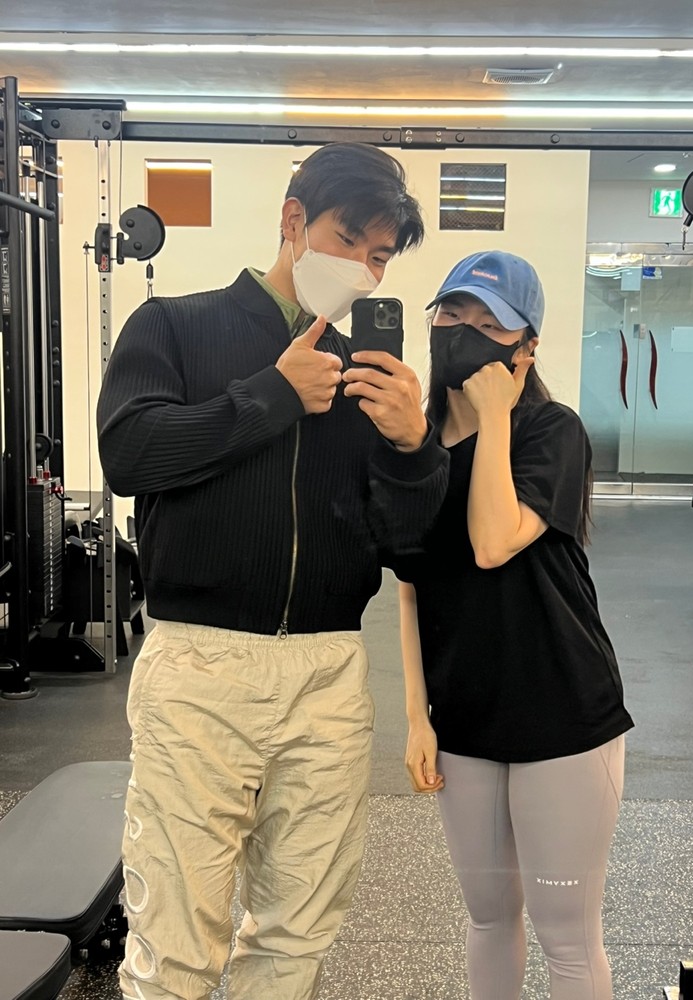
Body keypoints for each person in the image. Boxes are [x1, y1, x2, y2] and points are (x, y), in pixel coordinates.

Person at [97, 141, 449, 1000]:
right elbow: (130, 454)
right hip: (201, 666)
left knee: (298, 935)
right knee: (176, 940)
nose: (362, 270)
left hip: (328, 673)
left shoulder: (370, 378)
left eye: (379, 256)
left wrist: (414, 449)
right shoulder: (175, 326)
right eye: (348, 241)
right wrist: (272, 395)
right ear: (294, 221)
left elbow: (410, 549)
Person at [398, 250, 634, 1000]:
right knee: (488, 919)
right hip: (464, 719)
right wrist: (417, 717)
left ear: (525, 347)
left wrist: (495, 415)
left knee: (567, 935)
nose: (464, 330)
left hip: (562, 713)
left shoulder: (551, 432)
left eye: (489, 322)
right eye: (452, 313)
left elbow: (493, 540)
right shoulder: (414, 448)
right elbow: (410, 588)